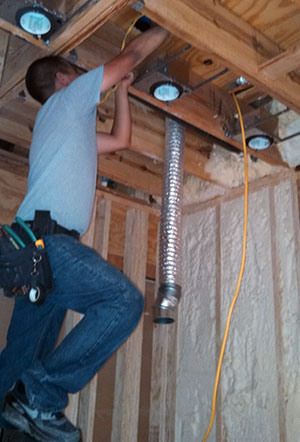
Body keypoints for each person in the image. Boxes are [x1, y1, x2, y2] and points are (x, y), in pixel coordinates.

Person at [0, 24, 168, 442]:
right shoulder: (67, 101)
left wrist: (124, 90)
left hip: (34, 256)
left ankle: (17, 411)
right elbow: (128, 56)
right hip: (46, 245)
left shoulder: (63, 127)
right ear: (63, 79)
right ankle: (39, 396)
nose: (85, 79)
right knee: (122, 301)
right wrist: (166, 24)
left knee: (19, 360)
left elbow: (120, 139)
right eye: (77, 72)